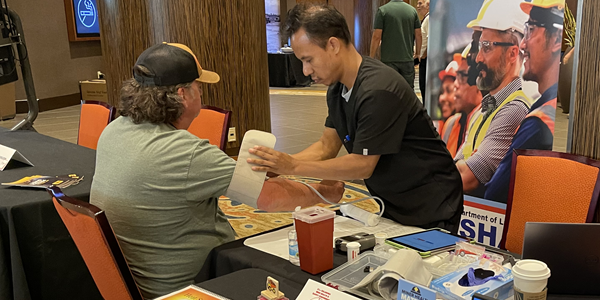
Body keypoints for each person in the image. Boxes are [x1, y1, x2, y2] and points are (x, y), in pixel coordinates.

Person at [90, 43, 344, 298]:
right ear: (182, 94)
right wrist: (324, 193)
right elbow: (269, 198)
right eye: (199, 87)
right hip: (193, 286)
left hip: (144, 282)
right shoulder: (185, 152)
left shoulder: (113, 130)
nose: (202, 94)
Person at [249, 4, 463, 233]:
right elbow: (326, 146)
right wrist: (279, 165)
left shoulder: (378, 89)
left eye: (309, 59)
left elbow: (362, 166)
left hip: (431, 202)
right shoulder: (337, 89)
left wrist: (293, 165)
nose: (305, 71)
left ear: (333, 45)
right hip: (393, 200)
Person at [485, 0, 563, 203]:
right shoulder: (555, 106)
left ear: (557, 39)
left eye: (531, 29)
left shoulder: (540, 123)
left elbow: (495, 193)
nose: (523, 44)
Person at [454, 0, 532, 196]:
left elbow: (468, 177)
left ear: (513, 53)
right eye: (480, 47)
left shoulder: (514, 109)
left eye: (486, 47)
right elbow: (457, 165)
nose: (478, 58)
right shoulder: (483, 109)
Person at [369, 0, 422, 88]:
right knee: (408, 91)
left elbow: (376, 37)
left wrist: (371, 57)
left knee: (390, 90)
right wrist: (417, 53)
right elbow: (419, 35)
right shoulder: (412, 11)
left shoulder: (382, 11)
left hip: (388, 60)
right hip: (407, 59)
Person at [446, 43, 484, 159]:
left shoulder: (489, 125)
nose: (455, 85)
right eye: (457, 77)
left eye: (462, 77)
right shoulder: (451, 125)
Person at [417, 0, 430, 100]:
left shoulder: (429, 19)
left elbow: (430, 40)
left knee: (424, 88)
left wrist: (423, 55)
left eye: (421, 3)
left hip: (426, 60)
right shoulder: (426, 19)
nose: (418, 6)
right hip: (423, 59)